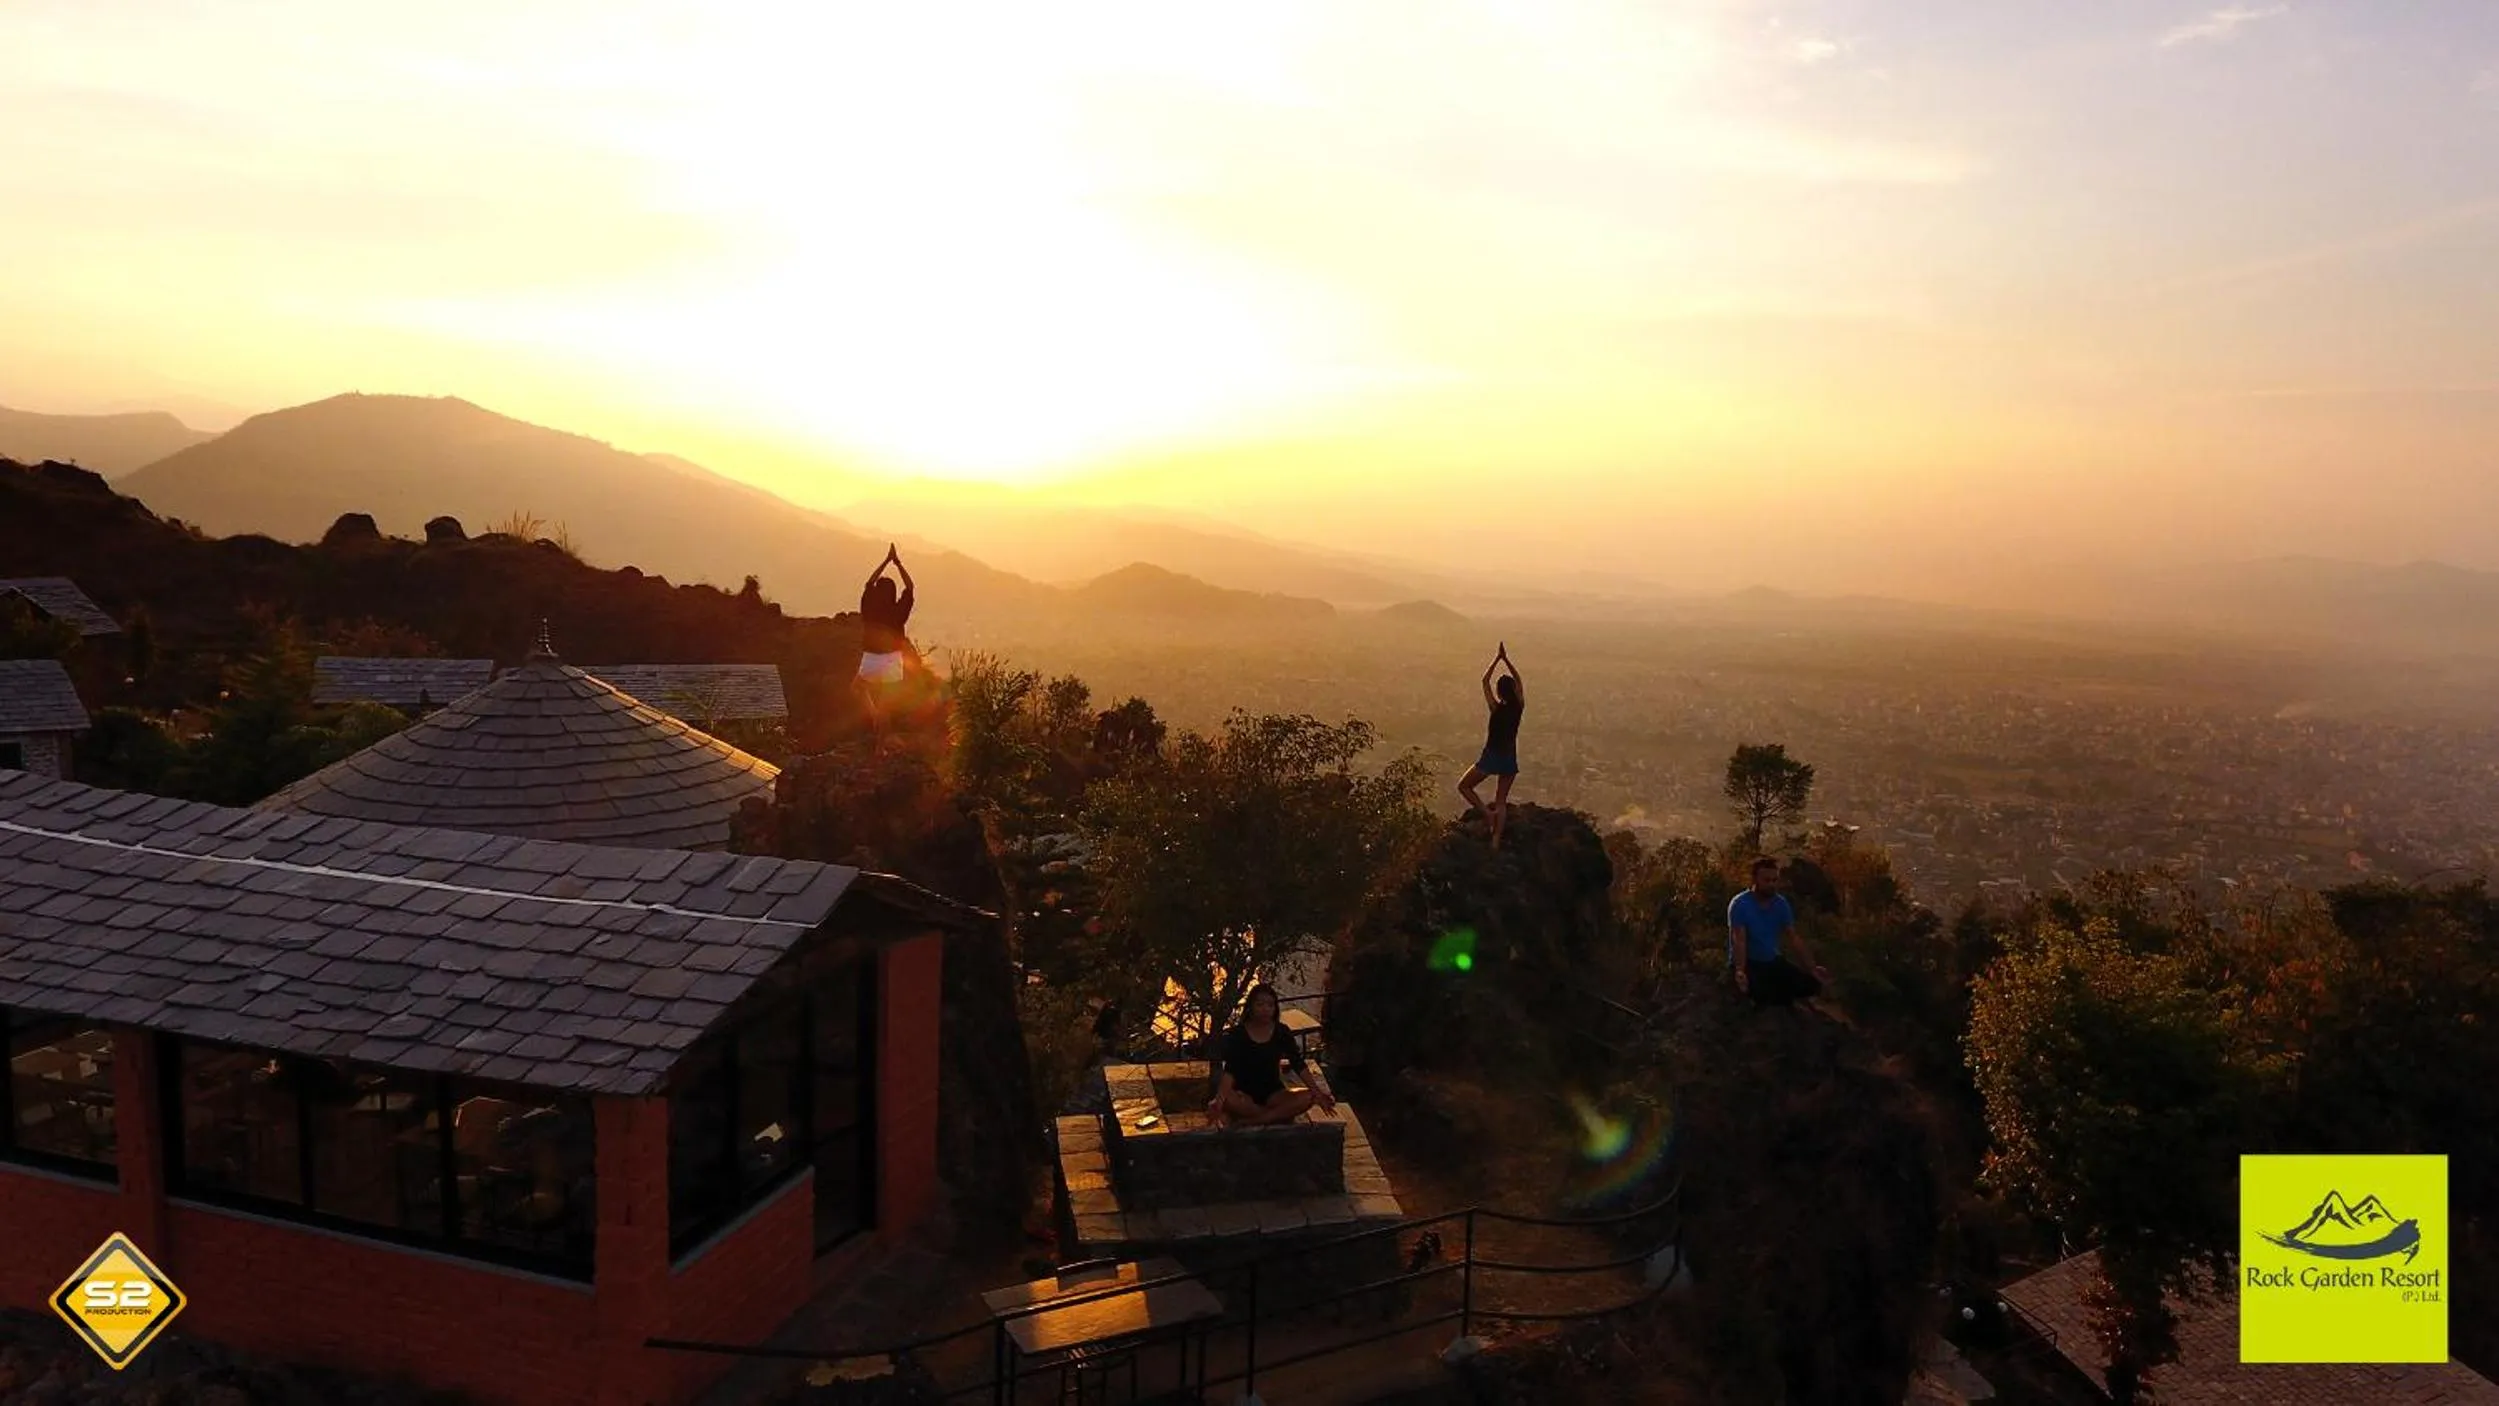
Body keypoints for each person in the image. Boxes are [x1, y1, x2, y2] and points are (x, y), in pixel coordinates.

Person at [1207, 984, 1336, 1128]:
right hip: (1245, 1095)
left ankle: (1255, 1120)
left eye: (1270, 1005)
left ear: (1275, 1008)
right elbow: (1230, 1071)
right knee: (1227, 1098)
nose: (1265, 1009)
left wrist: (1317, 1092)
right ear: (1250, 1007)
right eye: (1260, 1004)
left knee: (1309, 1096)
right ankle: (1274, 1116)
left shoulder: (1281, 1032)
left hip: (1274, 1094)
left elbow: (1298, 1063)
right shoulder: (1238, 1034)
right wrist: (1219, 1100)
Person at [1728, 857, 1829, 1007]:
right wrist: (1740, 970)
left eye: (1774, 880)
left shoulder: (1780, 904)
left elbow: (1793, 937)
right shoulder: (1740, 904)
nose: (1771, 884)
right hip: (1749, 962)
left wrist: (1812, 967)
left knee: (1812, 984)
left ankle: (1781, 996)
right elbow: (1739, 940)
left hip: (1771, 960)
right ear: (1755, 880)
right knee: (1758, 991)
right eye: (1766, 880)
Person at [1458, 643, 1525, 849]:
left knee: (1464, 786)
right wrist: (1506, 660)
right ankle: (1495, 841)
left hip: (1491, 755)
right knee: (1501, 800)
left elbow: (1484, 681)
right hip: (1509, 757)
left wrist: (1497, 659)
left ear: (1499, 692)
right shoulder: (1519, 707)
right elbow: (1519, 681)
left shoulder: (1495, 708)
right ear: (1513, 690)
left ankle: (1487, 814)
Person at [856, 544, 916, 728]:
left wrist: (885, 561)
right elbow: (910, 587)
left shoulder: (869, 607)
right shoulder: (898, 611)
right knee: (886, 699)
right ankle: (881, 735)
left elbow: (869, 583)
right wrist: (897, 563)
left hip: (871, 656)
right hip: (893, 658)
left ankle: (874, 713)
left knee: (858, 687)